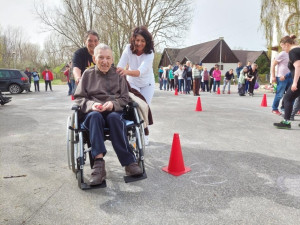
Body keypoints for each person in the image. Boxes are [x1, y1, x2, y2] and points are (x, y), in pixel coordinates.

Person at [74, 43, 142, 185]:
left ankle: (129, 163)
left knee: (114, 118)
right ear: (94, 58)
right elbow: (79, 98)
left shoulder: (118, 75)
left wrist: (113, 104)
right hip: (93, 113)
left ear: (112, 59)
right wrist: (92, 105)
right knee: (95, 117)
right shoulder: (87, 75)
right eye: (101, 57)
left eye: (108, 58)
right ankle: (99, 165)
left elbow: (125, 98)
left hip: (113, 112)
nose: (104, 61)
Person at [117, 26, 155, 145]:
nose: (139, 43)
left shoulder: (150, 53)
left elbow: (139, 72)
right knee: (133, 107)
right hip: (132, 82)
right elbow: (120, 65)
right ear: (133, 39)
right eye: (137, 40)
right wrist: (117, 72)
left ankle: (145, 133)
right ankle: (133, 131)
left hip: (147, 83)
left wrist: (126, 72)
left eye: (142, 41)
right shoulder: (128, 49)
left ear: (147, 42)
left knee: (144, 107)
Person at [274, 35, 300, 129]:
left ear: (287, 44)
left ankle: (286, 122)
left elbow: (298, 66)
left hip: (299, 80)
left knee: (287, 98)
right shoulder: (298, 49)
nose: (283, 49)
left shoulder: (293, 52)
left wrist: (295, 83)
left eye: (283, 46)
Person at [271, 50, 290, 115]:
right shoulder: (282, 54)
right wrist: (273, 76)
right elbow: (273, 64)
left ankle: (284, 108)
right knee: (279, 95)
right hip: (281, 77)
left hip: (290, 77)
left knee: (290, 95)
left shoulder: (293, 53)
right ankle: (274, 108)